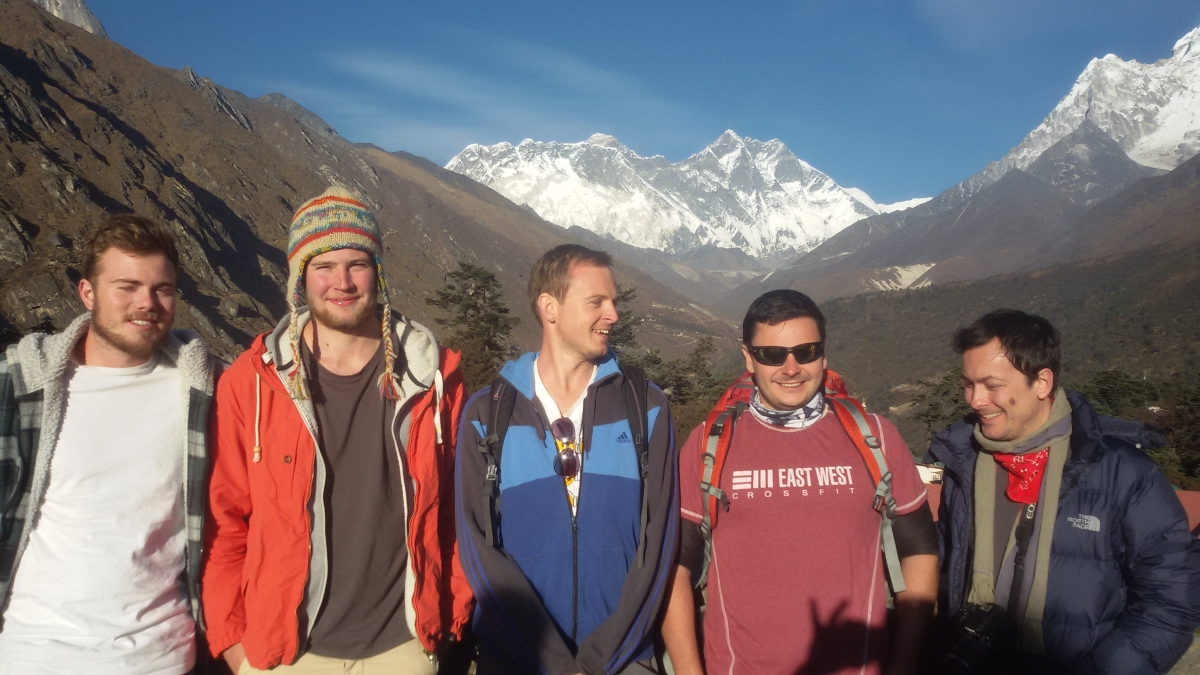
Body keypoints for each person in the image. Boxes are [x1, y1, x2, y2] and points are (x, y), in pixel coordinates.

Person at [203, 187, 471, 673]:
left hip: (404, 647)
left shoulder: (433, 379)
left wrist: (447, 620)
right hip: (284, 653)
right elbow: (225, 520)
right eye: (323, 266)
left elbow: (457, 508)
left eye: (357, 264)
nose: (342, 282)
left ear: (378, 272)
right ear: (300, 278)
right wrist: (235, 646)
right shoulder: (254, 382)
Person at [662, 289, 939, 675]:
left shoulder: (876, 437)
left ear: (823, 354)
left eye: (806, 352)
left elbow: (920, 548)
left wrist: (905, 663)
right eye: (772, 354)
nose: (790, 368)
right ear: (748, 357)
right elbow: (674, 566)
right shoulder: (709, 444)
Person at [0, 215, 219, 674]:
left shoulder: (203, 392)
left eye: (163, 288)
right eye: (127, 286)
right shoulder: (22, 386)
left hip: (159, 657)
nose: (147, 303)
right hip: (34, 652)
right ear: (87, 292)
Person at [926, 309, 1200, 674]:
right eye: (968, 384)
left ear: (1042, 382)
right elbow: (943, 568)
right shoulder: (963, 464)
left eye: (992, 386)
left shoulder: (1122, 474)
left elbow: (1170, 604)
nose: (975, 400)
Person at [455, 244, 678, 675]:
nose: (613, 314)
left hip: (623, 661)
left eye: (613, 301)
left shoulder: (646, 406)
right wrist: (554, 664)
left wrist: (597, 662)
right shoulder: (487, 414)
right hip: (516, 660)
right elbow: (478, 548)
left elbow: (658, 545)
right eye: (596, 302)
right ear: (549, 307)